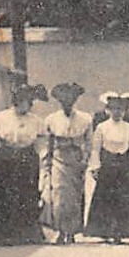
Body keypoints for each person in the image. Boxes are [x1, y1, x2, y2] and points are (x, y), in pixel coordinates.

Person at [0, 84, 47, 244]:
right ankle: (3, 234)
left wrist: (44, 160)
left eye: (28, 102)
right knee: (3, 195)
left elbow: (41, 144)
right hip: (6, 158)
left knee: (28, 194)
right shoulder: (0, 118)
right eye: (22, 101)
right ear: (15, 101)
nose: (25, 105)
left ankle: (27, 234)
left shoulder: (36, 121)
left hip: (27, 158)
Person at [84, 92, 129, 243]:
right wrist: (95, 167)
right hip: (107, 167)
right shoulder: (101, 127)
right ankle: (106, 231)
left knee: (123, 200)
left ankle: (121, 232)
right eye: (113, 109)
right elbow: (95, 149)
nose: (117, 112)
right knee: (106, 199)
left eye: (120, 109)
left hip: (124, 168)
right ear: (108, 110)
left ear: (125, 111)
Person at [41, 82, 93, 245]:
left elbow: (89, 142)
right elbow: (47, 143)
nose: (67, 103)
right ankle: (60, 231)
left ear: (75, 100)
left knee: (75, 197)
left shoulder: (85, 118)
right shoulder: (51, 119)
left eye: (70, 99)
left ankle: (72, 231)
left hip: (76, 160)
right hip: (58, 159)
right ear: (59, 101)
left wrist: (85, 160)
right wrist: (47, 162)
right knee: (59, 196)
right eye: (64, 100)